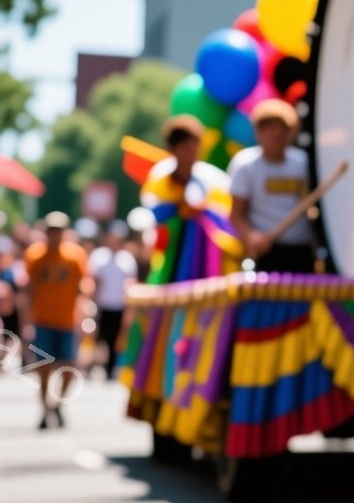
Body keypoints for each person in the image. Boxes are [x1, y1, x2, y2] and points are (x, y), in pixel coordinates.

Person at [143, 115, 241, 284]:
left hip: (205, 258)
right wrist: (178, 209)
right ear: (173, 149)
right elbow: (154, 216)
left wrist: (202, 211)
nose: (192, 151)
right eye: (186, 146)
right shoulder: (160, 179)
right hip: (169, 257)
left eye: (195, 145)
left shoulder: (212, 179)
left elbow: (225, 218)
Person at [227, 100, 314, 273]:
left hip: (301, 251)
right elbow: (236, 214)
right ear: (258, 131)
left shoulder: (303, 163)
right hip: (263, 252)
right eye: (270, 127)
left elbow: (310, 204)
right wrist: (251, 237)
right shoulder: (245, 165)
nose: (277, 133)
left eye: (282, 128)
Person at [21, 212, 88, 429]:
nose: (54, 235)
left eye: (58, 231)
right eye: (51, 231)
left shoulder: (75, 256)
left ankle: (57, 405)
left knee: (69, 369)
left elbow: (83, 289)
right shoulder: (35, 256)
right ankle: (44, 410)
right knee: (44, 370)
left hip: (68, 321)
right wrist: (26, 323)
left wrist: (86, 318)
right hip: (43, 321)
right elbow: (28, 290)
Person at [87, 223, 136, 380]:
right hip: (101, 305)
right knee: (97, 336)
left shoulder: (127, 259)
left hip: (119, 306)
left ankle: (110, 368)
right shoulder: (98, 256)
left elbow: (131, 283)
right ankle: (92, 366)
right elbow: (93, 280)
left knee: (114, 338)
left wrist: (130, 306)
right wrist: (90, 302)